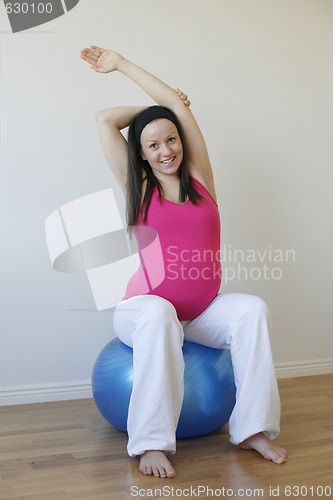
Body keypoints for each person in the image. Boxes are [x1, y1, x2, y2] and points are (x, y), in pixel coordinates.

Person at [80, 45, 288, 478]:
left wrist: (124, 66)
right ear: (141, 153)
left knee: (253, 311)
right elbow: (104, 118)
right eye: (152, 144)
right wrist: (149, 113)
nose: (165, 150)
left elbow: (176, 104)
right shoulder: (136, 185)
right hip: (142, 311)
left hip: (201, 312)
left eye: (171, 138)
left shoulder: (201, 179)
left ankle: (252, 428)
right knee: (158, 315)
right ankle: (151, 443)